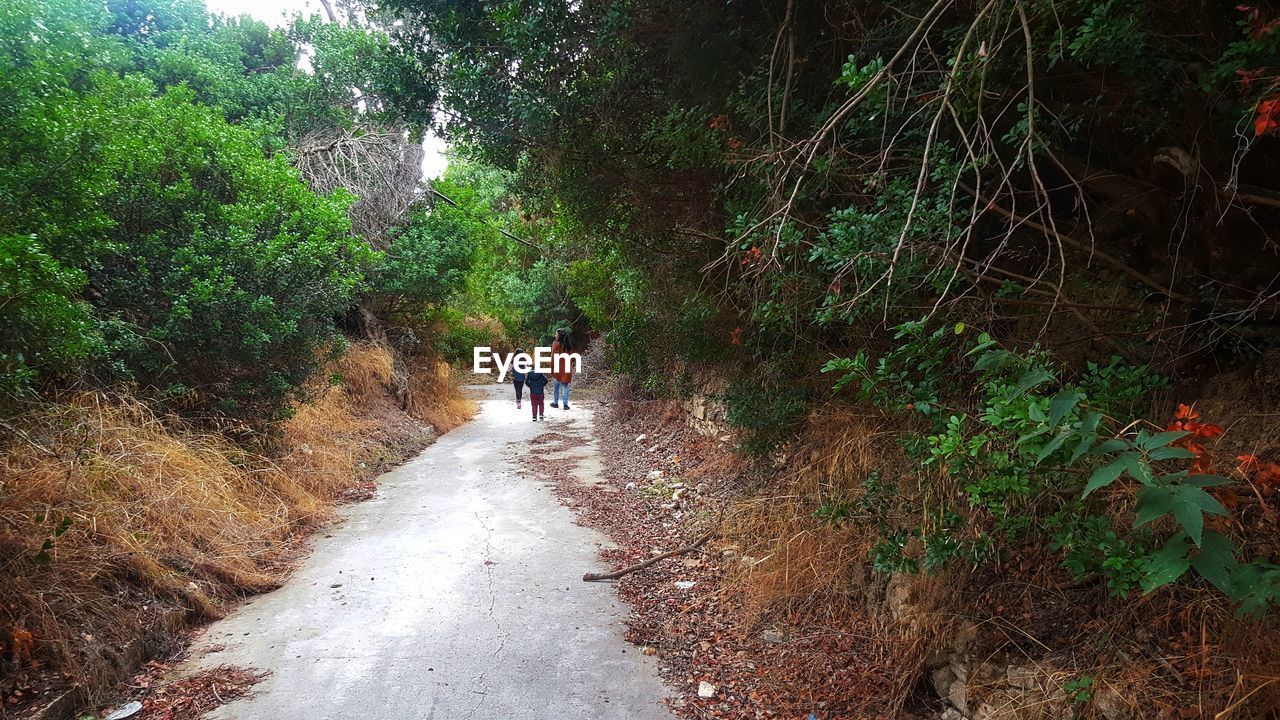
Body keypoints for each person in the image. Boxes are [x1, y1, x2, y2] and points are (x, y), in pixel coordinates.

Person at [549, 328, 573, 410]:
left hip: (557, 368)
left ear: (559, 336)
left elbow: (552, 357)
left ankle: (555, 403)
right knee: (565, 386)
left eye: (556, 334)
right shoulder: (568, 345)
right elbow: (571, 358)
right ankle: (565, 405)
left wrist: (551, 367)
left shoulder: (555, 344)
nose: (555, 335)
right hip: (566, 368)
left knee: (556, 386)